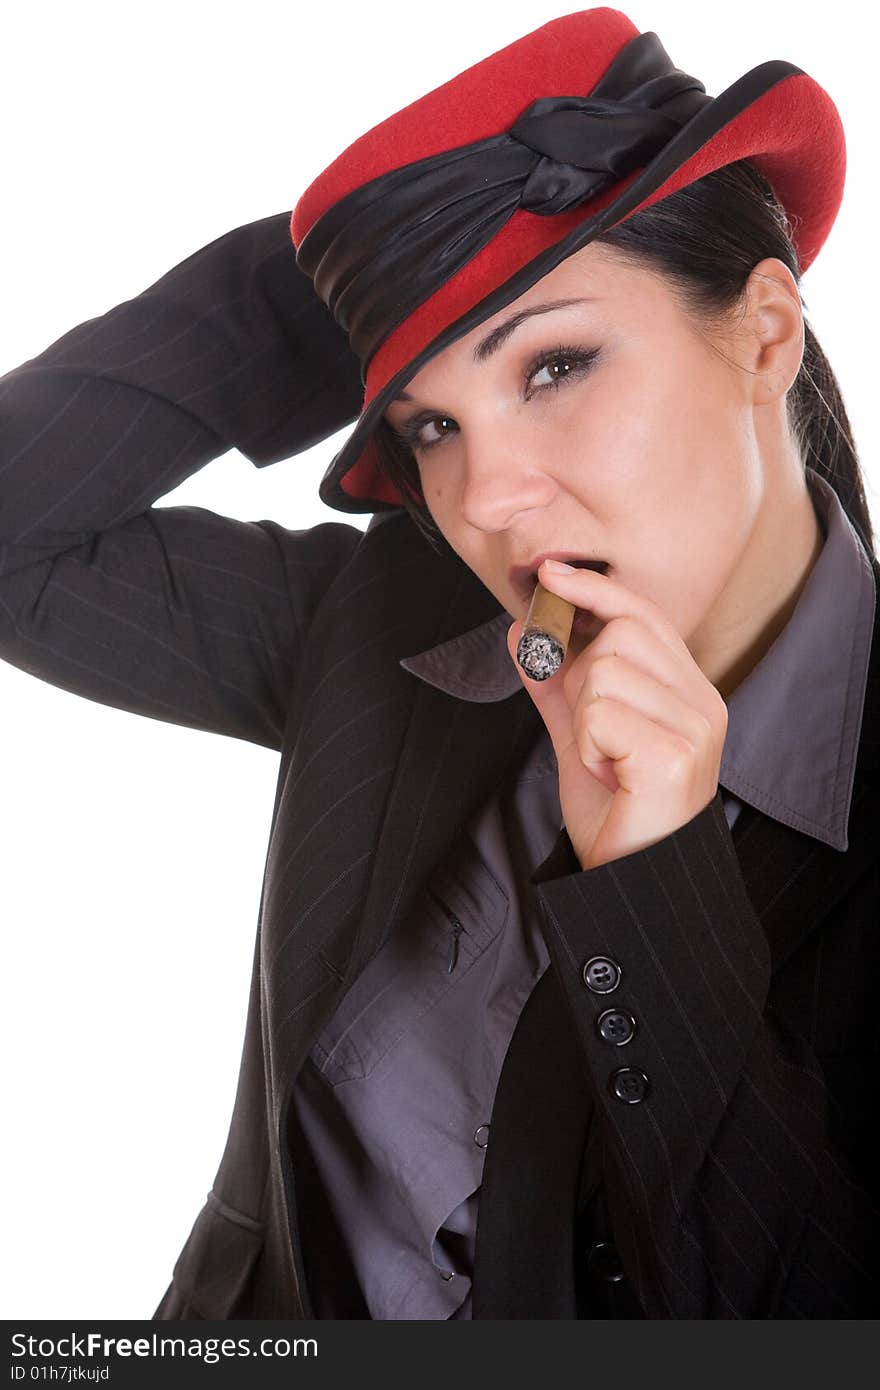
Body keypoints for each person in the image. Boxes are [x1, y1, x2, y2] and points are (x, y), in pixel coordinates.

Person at [2, 6, 878, 1319]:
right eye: (429, 424)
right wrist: (359, 277)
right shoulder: (394, 628)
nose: (487, 500)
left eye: (556, 363)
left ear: (765, 330)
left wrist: (654, 888)